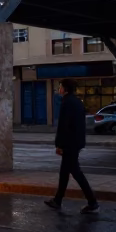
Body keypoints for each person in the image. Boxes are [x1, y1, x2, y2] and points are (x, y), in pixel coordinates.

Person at [45, 79, 98, 213]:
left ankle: (93, 203)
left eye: (60, 86)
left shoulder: (67, 103)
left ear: (65, 89)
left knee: (76, 172)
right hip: (76, 142)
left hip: (69, 144)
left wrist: (59, 145)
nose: (59, 89)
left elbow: (64, 126)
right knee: (64, 173)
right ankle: (57, 200)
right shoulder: (76, 102)